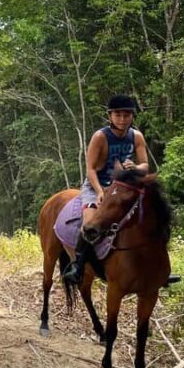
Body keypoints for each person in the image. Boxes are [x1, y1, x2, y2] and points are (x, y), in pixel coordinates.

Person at [62, 94, 149, 285]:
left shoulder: (136, 136)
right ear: (110, 116)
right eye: (118, 115)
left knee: (152, 215)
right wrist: (100, 192)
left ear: (132, 116)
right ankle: (78, 266)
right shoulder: (100, 137)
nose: (122, 119)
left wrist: (135, 167)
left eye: (127, 115)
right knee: (90, 224)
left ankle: (157, 268)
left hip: (123, 187)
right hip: (97, 185)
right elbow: (90, 169)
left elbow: (145, 165)